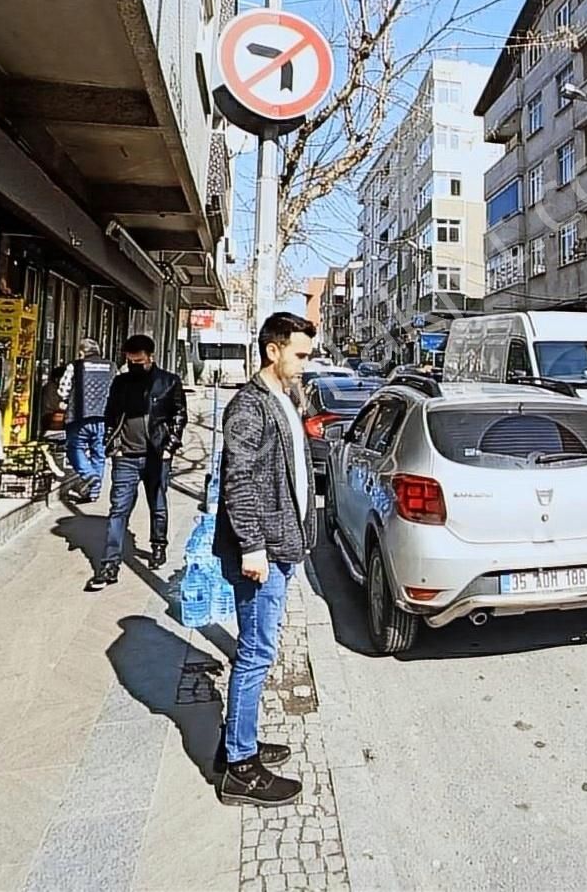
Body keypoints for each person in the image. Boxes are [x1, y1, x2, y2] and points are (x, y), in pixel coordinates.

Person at [212, 311, 317, 806]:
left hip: (282, 544)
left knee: (258, 651)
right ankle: (239, 767)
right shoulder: (249, 408)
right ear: (272, 351)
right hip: (263, 551)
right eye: (299, 354)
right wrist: (252, 545)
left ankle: (241, 739)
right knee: (255, 655)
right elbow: (240, 482)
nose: (305, 362)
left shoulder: (284, 397)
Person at [84, 334, 187, 590]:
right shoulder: (121, 382)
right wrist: (113, 444)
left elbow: (179, 415)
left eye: (139, 361)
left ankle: (158, 546)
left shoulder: (168, 382)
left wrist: (170, 446)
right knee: (118, 510)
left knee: (158, 504)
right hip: (126, 457)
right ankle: (110, 564)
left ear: (151, 357)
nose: (134, 366)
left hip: (156, 454)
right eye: (130, 361)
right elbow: (111, 413)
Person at [58, 338, 114, 501]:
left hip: (79, 416)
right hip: (104, 416)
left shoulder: (74, 366)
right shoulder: (111, 367)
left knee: (74, 448)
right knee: (99, 453)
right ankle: (94, 492)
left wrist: (65, 401)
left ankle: (89, 475)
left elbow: (63, 391)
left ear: (81, 352)